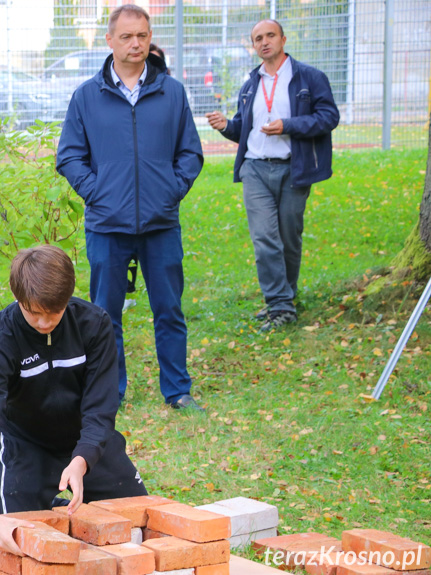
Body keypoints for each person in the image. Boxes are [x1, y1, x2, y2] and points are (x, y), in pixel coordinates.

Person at [56, 5, 204, 410]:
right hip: (107, 223)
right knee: (105, 316)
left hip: (160, 223)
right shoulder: (88, 96)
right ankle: (109, 393)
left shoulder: (171, 92)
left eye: (142, 35)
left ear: (149, 36)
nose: (135, 43)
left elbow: (190, 153)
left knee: (169, 310)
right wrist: (96, 191)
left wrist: (170, 191)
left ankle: (177, 390)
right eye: (126, 36)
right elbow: (69, 155)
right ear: (110, 40)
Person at [0, 245, 147, 554]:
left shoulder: (94, 325)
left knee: (140, 527)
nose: (45, 323)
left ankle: (60, 499)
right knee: (18, 540)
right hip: (26, 445)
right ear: (18, 297)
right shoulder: (0, 340)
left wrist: (82, 459)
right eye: (34, 313)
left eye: (54, 313)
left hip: (86, 444)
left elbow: (101, 408)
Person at [205, 20, 339, 332]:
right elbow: (244, 128)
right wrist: (226, 125)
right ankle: (278, 304)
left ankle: (286, 299)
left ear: (283, 39)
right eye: (257, 39)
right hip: (255, 168)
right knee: (265, 238)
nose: (264, 42)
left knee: (289, 239)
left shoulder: (309, 77)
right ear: (253, 46)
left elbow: (329, 117)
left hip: (294, 168)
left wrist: (288, 125)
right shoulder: (251, 82)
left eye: (269, 36)